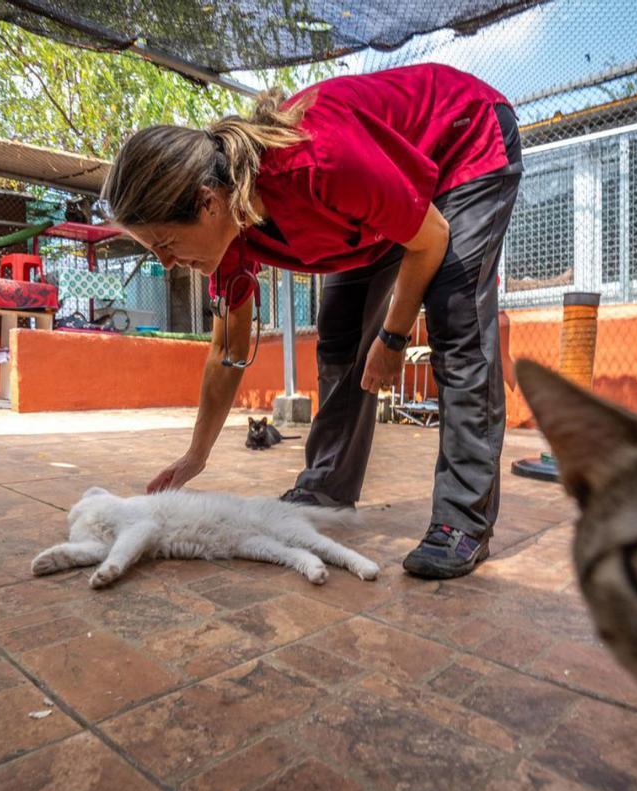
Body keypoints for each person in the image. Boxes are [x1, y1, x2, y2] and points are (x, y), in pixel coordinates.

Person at [102, 63, 523, 580]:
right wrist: (195, 457)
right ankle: (326, 486)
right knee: (340, 340)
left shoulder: (318, 162)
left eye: (165, 245)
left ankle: (463, 521)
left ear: (207, 203)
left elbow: (431, 237)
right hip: (387, 199)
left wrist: (392, 337)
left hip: (464, 141)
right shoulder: (233, 229)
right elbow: (225, 352)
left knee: (457, 330)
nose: (167, 264)